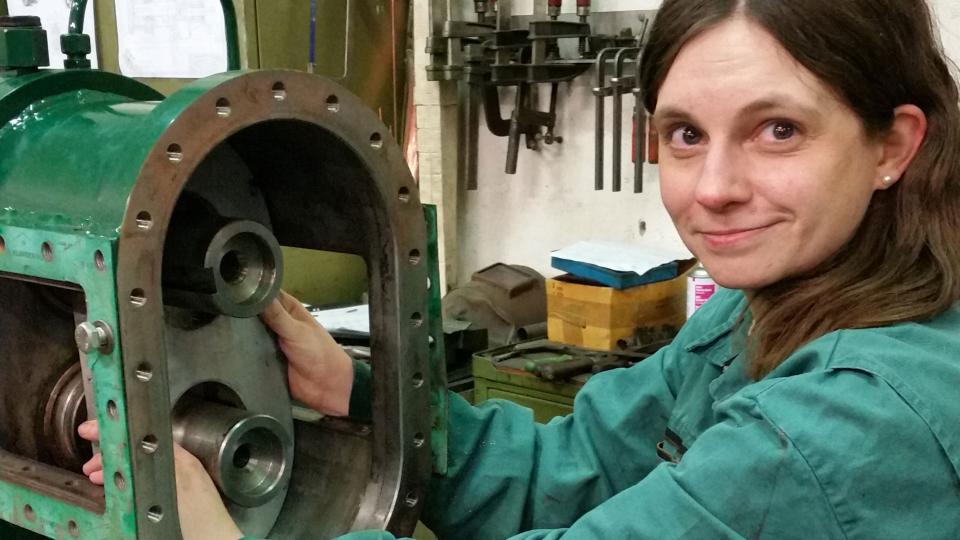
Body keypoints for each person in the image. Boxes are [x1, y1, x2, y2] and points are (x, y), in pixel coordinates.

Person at [81, 0, 960, 537]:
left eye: (779, 130)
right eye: (686, 134)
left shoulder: (853, 426)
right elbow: (569, 465)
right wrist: (358, 395)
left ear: (893, 145)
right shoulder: (768, 305)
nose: (717, 189)